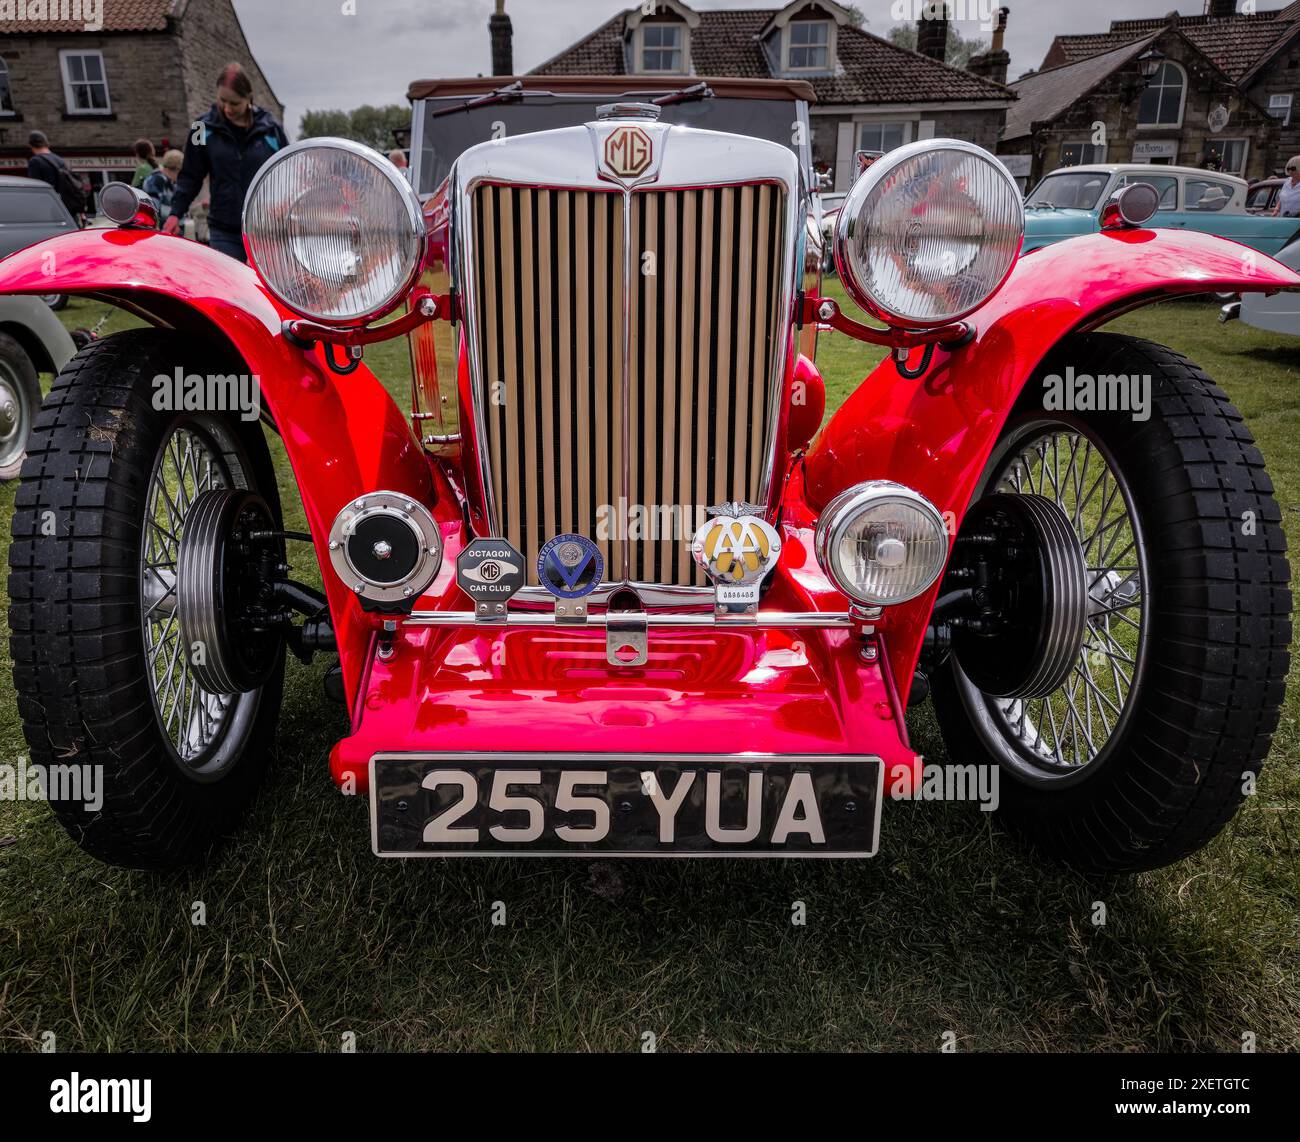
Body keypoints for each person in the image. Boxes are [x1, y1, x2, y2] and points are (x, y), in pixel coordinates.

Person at [163, 63, 288, 262]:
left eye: (235, 103)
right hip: (224, 229)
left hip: (265, 230)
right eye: (223, 101)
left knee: (262, 291)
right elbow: (190, 175)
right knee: (229, 289)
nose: (228, 108)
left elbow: (287, 172)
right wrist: (175, 213)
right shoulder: (200, 128)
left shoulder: (271, 128)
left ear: (249, 98)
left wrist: (284, 203)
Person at [26, 131, 89, 225]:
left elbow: (36, 191)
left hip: (50, 212)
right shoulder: (59, 160)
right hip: (68, 210)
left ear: (31, 145)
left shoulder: (35, 162)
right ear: (46, 143)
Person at [143, 149, 184, 222]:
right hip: (159, 229)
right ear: (176, 169)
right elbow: (154, 209)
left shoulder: (168, 181)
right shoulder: (157, 180)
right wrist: (177, 214)